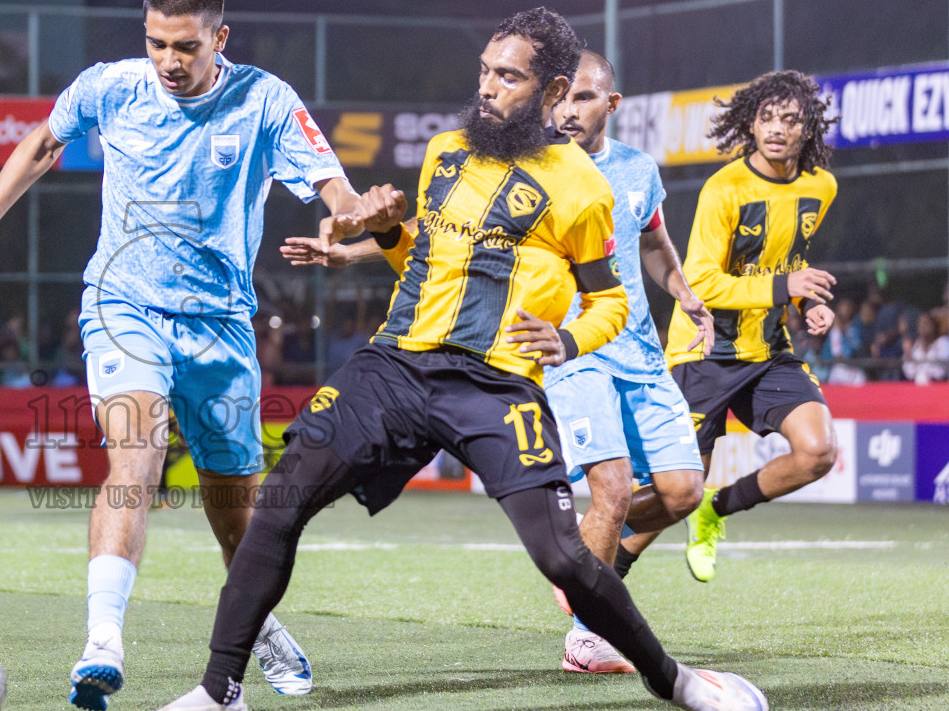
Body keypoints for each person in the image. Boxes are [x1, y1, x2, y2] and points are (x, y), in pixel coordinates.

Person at [121, 8, 769, 711]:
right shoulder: (447, 150)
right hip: (394, 365)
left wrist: (568, 337)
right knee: (280, 503)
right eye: (486, 71)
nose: (488, 88)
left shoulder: (584, 187)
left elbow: (611, 299)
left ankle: (675, 682)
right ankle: (219, 693)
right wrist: (389, 229)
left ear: (554, 89)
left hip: (495, 385)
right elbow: (424, 266)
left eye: (509, 76)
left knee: (560, 555)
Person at [0, 0, 365, 711]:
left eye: (185, 46)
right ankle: (102, 640)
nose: (168, 60)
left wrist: (346, 226)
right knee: (138, 451)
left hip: (222, 323)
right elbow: (40, 144)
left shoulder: (264, 100)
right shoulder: (112, 87)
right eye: (156, 42)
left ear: (218, 39)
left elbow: (336, 190)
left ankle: (256, 626)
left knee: (235, 505)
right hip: (123, 305)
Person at [282, 50, 716, 674]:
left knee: (681, 493)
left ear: (610, 105)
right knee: (613, 490)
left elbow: (653, 243)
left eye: (585, 100)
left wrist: (686, 295)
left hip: (638, 348)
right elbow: (453, 247)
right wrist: (354, 252)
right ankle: (587, 632)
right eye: (564, 99)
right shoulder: (522, 167)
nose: (569, 112)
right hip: (561, 344)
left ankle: (590, 573)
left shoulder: (636, 172)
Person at [666, 70, 840, 582]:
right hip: (704, 351)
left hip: (766, 350)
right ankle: (597, 569)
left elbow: (784, 261)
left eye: (791, 119)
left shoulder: (821, 186)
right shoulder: (725, 189)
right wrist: (788, 287)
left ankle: (716, 511)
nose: (778, 128)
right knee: (676, 494)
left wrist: (807, 303)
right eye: (767, 117)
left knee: (818, 451)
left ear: (808, 129)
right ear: (750, 123)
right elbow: (699, 284)